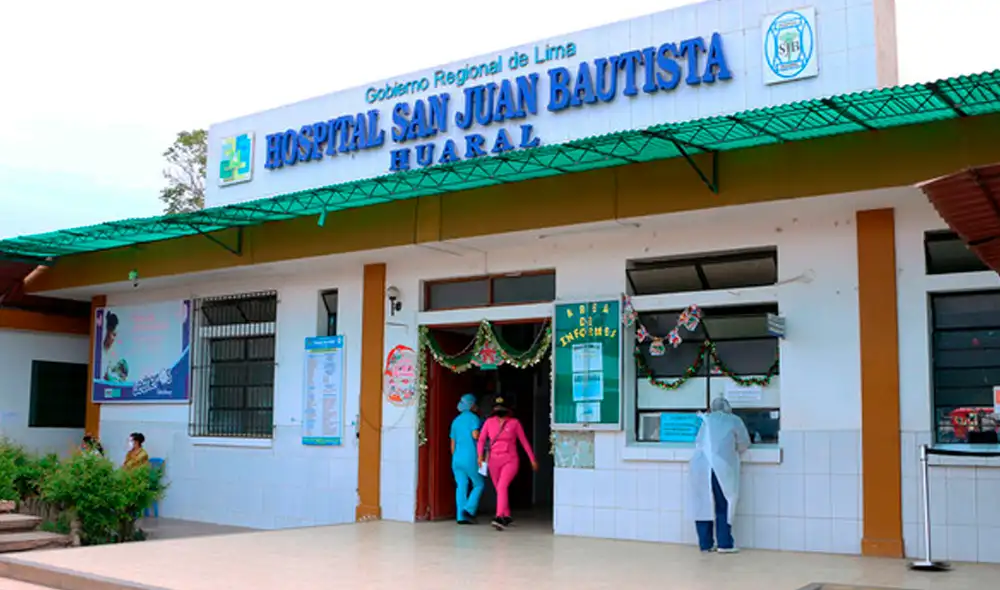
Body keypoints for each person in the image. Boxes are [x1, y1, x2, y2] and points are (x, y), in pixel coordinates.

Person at [689, 397, 751, 553]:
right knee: (724, 503)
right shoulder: (734, 420)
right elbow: (744, 443)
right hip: (721, 467)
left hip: (700, 467)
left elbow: (698, 441)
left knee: (703, 504)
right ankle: (724, 544)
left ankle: (705, 544)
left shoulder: (706, 419)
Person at [477, 395, 537, 531]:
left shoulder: (514, 423)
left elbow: (524, 442)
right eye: (497, 408)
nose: (500, 411)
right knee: (499, 488)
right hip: (493, 460)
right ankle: (507, 515)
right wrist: (479, 456)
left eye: (502, 408)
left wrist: (532, 459)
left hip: (510, 459)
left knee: (502, 486)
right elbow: (481, 440)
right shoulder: (488, 422)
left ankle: (499, 517)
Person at [450, 393, 484, 525]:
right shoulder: (473, 418)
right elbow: (475, 435)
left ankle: (460, 516)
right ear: (471, 405)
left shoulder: (456, 420)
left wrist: (455, 457)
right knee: (479, 484)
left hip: (457, 458)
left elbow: (452, 443)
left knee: (461, 486)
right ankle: (468, 509)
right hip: (470, 456)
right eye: (475, 404)